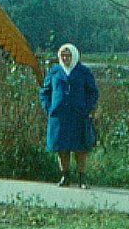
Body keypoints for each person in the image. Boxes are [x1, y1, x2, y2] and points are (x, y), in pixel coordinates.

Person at [39, 43, 99, 188]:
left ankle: (82, 178)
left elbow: (92, 92)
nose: (65, 58)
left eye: (68, 55)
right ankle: (65, 176)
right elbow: (44, 92)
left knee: (80, 148)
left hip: (79, 116)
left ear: (75, 56)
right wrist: (49, 108)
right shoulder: (55, 72)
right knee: (62, 148)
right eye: (63, 55)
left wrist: (87, 109)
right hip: (59, 117)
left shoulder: (83, 72)